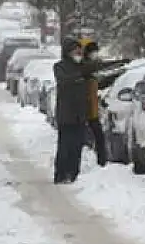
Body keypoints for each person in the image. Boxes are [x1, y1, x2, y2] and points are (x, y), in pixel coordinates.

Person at [53, 38, 129, 183]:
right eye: (75, 51)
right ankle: (60, 174)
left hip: (80, 115)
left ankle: (73, 174)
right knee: (64, 146)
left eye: (79, 51)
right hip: (65, 114)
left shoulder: (83, 67)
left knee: (77, 147)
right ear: (67, 52)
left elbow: (99, 66)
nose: (78, 54)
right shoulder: (60, 67)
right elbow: (64, 80)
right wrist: (79, 78)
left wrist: (121, 63)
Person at [79, 38, 108, 166]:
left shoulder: (91, 68)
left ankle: (102, 162)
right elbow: (90, 69)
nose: (94, 55)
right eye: (92, 52)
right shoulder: (82, 67)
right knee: (82, 137)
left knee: (99, 135)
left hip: (92, 109)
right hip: (82, 109)